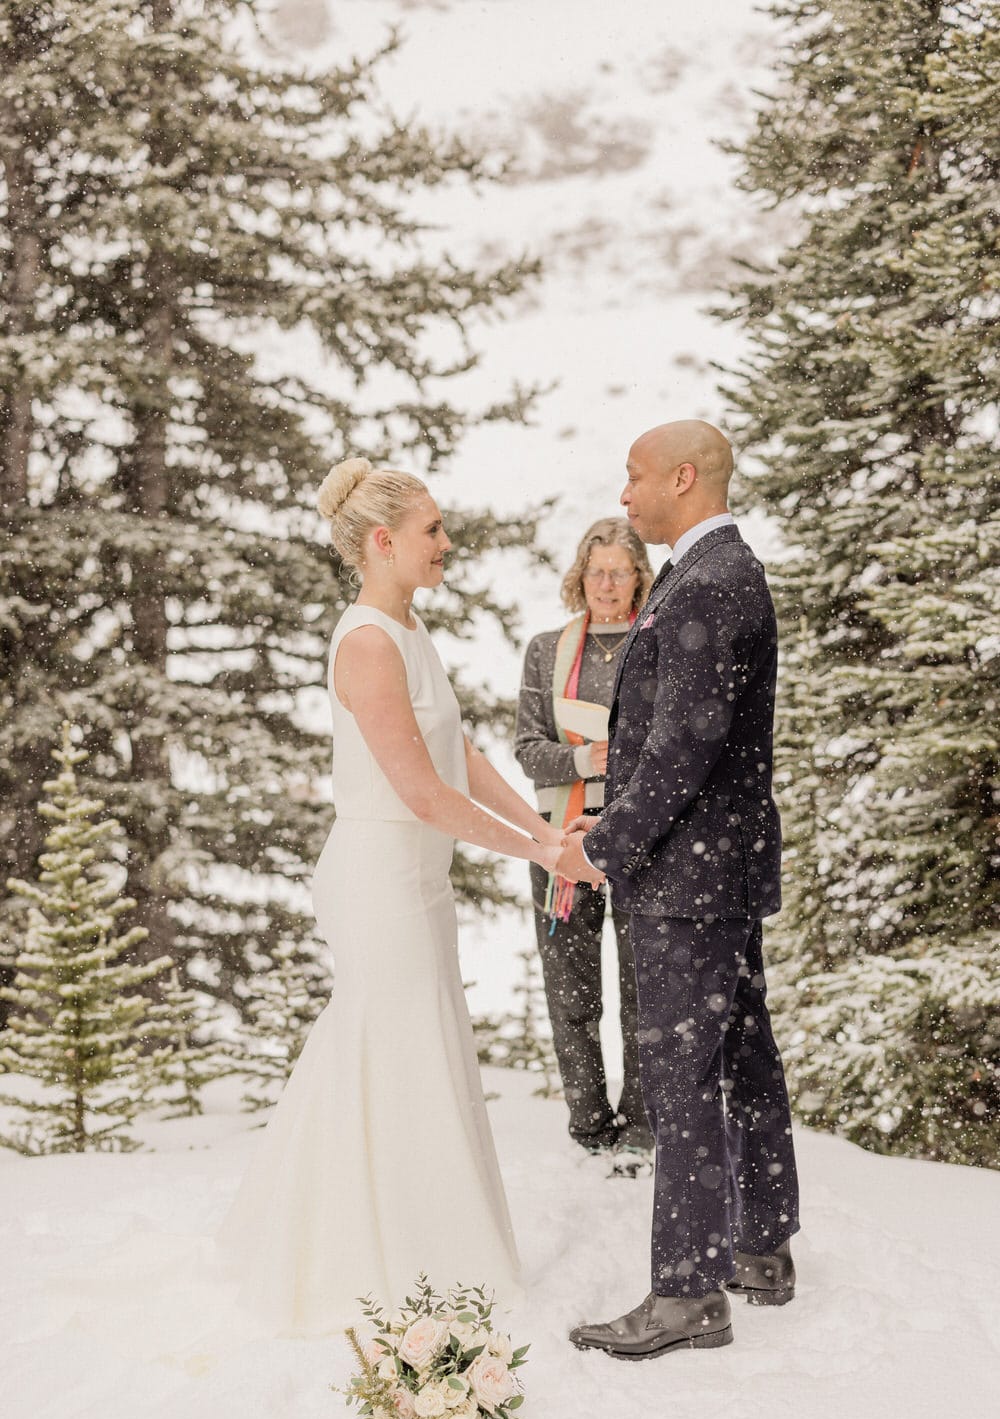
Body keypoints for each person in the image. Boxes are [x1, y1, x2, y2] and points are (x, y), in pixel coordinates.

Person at [218, 458, 564, 1334]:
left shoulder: (408, 630)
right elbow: (422, 794)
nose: (447, 544)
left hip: (420, 879)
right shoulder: (367, 640)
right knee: (389, 1058)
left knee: (413, 1056)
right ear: (382, 542)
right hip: (380, 881)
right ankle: (371, 1261)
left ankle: (416, 1247)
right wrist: (540, 854)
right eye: (432, 531)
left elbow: (465, 758)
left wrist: (549, 836)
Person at [557, 420, 801, 1359]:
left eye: (635, 477)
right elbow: (680, 743)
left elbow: (683, 748)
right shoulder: (718, 576)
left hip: (688, 881)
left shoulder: (711, 582)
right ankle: (761, 1246)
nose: (625, 496)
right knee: (742, 1053)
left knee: (681, 1076)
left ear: (684, 478)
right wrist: (607, 823)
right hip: (718, 867)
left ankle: (689, 1292)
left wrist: (606, 845)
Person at [514, 518, 654, 1157]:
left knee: (642, 990)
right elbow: (526, 747)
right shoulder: (547, 649)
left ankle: (642, 1126)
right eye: (595, 571)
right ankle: (590, 1126)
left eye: (618, 572)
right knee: (572, 993)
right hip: (561, 840)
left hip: (640, 837)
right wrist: (583, 761)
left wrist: (623, 762)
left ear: (638, 578)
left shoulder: (655, 643)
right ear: (581, 575)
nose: (605, 583)